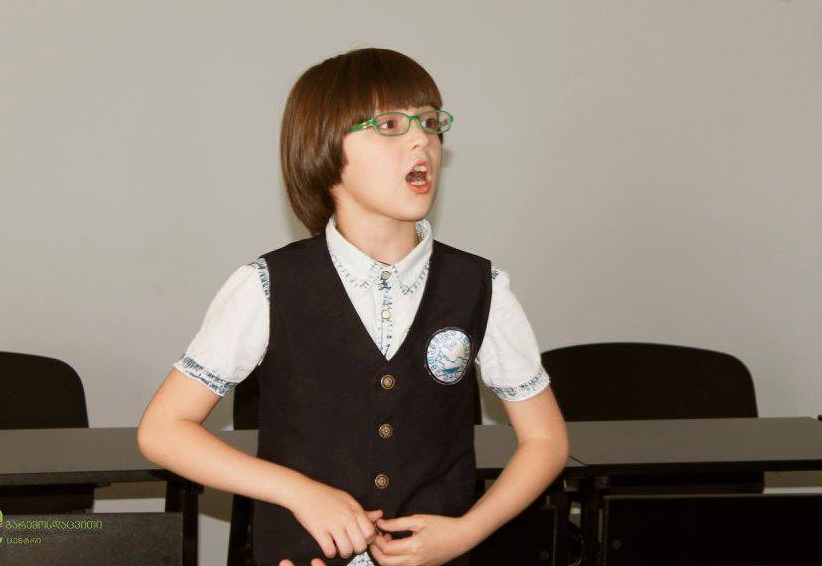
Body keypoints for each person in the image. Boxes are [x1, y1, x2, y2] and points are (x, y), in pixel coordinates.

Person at [137, 47, 569, 566]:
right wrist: (298, 492)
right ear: (325, 151)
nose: (422, 140)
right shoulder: (266, 286)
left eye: (430, 123)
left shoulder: (481, 286)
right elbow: (163, 430)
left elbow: (545, 439)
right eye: (389, 125)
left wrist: (466, 533)